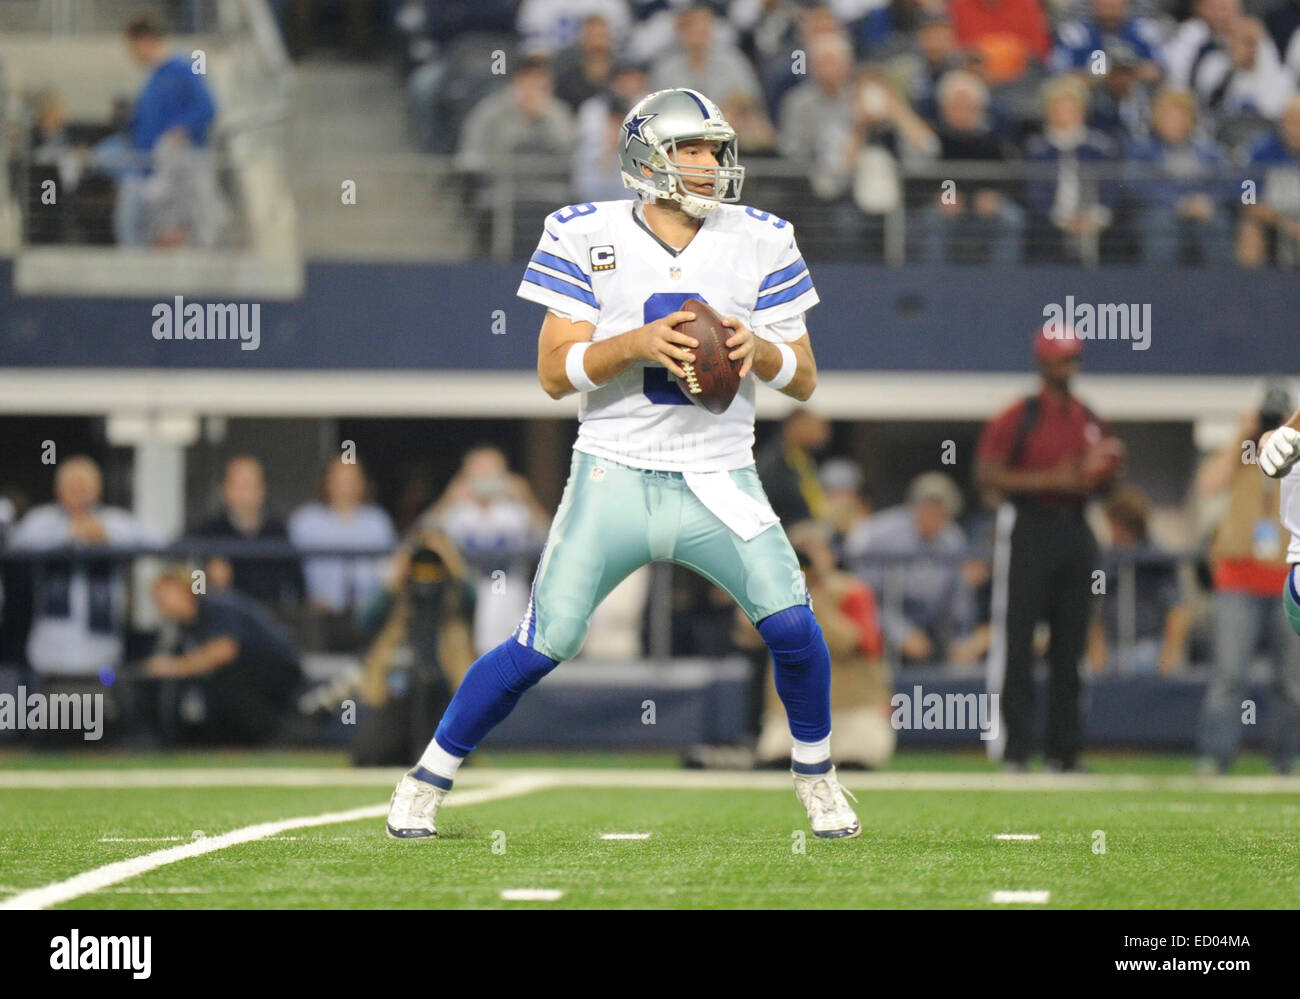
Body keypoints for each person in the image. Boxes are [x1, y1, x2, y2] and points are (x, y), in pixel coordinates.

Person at [388, 87, 862, 840]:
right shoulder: (586, 231)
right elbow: (552, 373)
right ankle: (426, 777)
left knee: (796, 627)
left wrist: (757, 348)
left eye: (716, 150)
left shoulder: (762, 237)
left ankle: (818, 777)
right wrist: (636, 345)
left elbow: (803, 377)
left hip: (719, 472)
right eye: (693, 150)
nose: (710, 165)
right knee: (544, 640)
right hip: (617, 468)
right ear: (648, 157)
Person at [975, 326, 1118, 772]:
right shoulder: (1020, 415)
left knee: (1071, 644)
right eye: (1062, 358)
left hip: (1076, 526)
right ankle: (1016, 751)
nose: (1069, 366)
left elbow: (1100, 482)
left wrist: (1107, 474)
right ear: (1043, 362)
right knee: (1018, 640)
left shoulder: (1089, 417)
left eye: (1074, 358)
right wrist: (1048, 480)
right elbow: (987, 475)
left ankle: (1064, 751)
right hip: (1031, 524)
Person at [1194, 389, 1300, 773]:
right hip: (1238, 578)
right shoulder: (1243, 453)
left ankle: (1286, 760)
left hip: (1286, 577)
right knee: (1229, 675)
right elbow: (1209, 484)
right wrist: (1244, 435)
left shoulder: (1294, 447)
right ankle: (1215, 755)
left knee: (1291, 681)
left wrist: (1290, 434)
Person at [748, 521, 895, 770]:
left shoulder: (852, 590)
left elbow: (854, 643)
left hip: (852, 709)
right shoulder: (773, 590)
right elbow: (750, 635)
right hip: (792, 714)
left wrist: (813, 596)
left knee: (856, 761)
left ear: (830, 555)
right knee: (777, 761)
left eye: (814, 550)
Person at [8, 456, 163, 679]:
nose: (78, 494)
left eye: (84, 488)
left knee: (101, 710)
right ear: (58, 490)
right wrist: (66, 534)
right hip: (48, 654)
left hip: (102, 656)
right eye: (72, 487)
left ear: (97, 490)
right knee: (48, 711)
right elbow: (16, 544)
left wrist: (106, 536)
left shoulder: (113, 521)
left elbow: (157, 543)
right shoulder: (43, 520)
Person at [148, 567, 304, 745]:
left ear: (184, 589)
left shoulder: (214, 604)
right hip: (247, 673)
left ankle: (273, 740)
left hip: (276, 669)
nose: (160, 601)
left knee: (226, 681)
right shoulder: (184, 627)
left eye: (165, 593)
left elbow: (224, 651)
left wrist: (176, 666)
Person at [849, 472, 975, 666]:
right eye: (928, 509)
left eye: (941, 513)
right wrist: (901, 632)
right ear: (914, 507)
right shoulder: (880, 534)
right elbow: (864, 596)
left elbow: (958, 597)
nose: (934, 518)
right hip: (885, 624)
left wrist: (962, 639)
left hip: (933, 628)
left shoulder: (952, 538)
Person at [118, 13, 220, 247]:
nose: (132, 54)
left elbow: (208, 106)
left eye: (133, 47)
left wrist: (178, 131)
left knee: (163, 231)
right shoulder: (153, 78)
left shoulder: (183, 68)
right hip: (147, 166)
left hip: (175, 169)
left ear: (146, 40)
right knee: (133, 226)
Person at [289, 458, 397, 647]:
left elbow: (391, 568)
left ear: (362, 482)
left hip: (370, 616)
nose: (346, 485)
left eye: (352, 478)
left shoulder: (378, 520)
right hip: (320, 616)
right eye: (340, 478)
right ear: (327, 481)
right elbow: (287, 569)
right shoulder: (305, 520)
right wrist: (304, 599)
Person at [1086, 485, 1189, 675]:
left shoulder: (1159, 560)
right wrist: (1096, 648)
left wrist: (1168, 657)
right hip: (1111, 648)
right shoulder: (1104, 561)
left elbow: (1177, 611)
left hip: (1150, 648)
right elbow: (1094, 605)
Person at [189, 455, 303, 614]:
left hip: (270, 619)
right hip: (224, 616)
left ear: (262, 489)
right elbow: (191, 579)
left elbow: (297, 585)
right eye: (239, 485)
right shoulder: (208, 531)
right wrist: (207, 579)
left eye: (251, 484)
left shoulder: (278, 532)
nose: (246, 492)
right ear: (225, 489)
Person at [755, 408, 831, 525]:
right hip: (785, 526)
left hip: (808, 522)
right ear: (795, 426)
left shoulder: (802, 459)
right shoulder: (774, 461)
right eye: (813, 426)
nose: (823, 433)